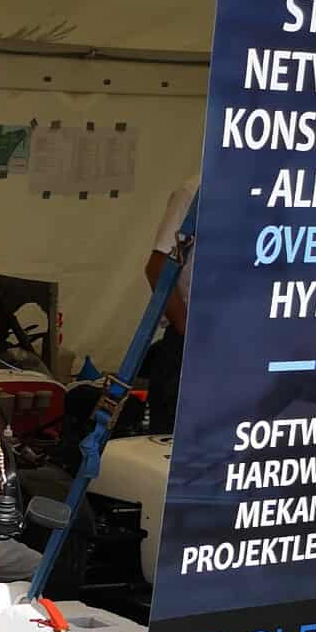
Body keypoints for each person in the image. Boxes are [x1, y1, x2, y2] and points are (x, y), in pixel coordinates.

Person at [142, 175, 199, 436]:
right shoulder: (197, 191)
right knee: (174, 444)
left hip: (240, 347)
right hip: (189, 347)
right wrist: (185, 326)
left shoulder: (272, 191)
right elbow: (157, 269)